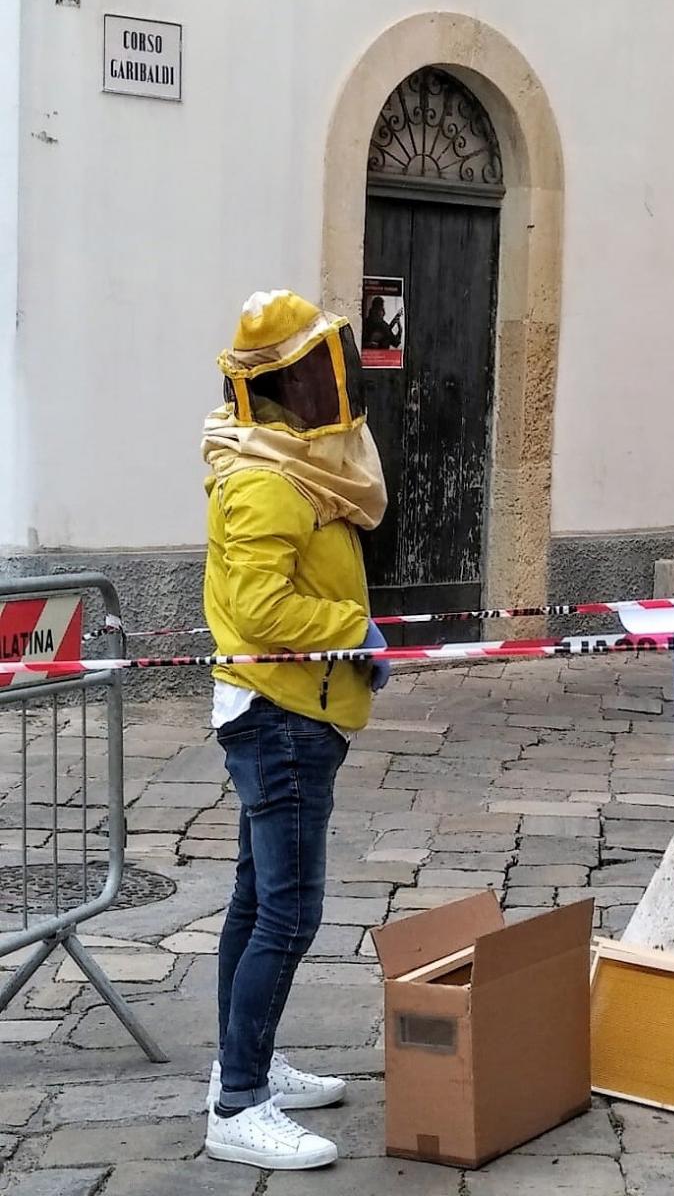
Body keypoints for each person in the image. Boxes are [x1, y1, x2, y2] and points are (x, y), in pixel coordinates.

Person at [201, 290, 390, 1169]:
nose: (328, 385)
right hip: (281, 715)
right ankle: (238, 1103)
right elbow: (255, 605)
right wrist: (350, 631)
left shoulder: (293, 466)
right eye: (310, 373)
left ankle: (245, 1062)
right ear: (278, 388)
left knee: (254, 898)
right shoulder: (266, 478)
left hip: (293, 708)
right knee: (289, 911)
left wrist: (351, 637)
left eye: (330, 367)